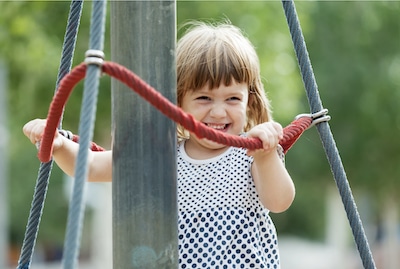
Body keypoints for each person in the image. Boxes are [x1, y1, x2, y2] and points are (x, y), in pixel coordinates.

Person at [23, 21, 295, 268]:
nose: (219, 112)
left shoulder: (252, 153)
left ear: (250, 101)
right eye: (203, 98)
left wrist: (266, 156)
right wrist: (58, 143)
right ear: (177, 103)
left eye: (232, 99)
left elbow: (279, 201)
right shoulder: (164, 155)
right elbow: (92, 166)